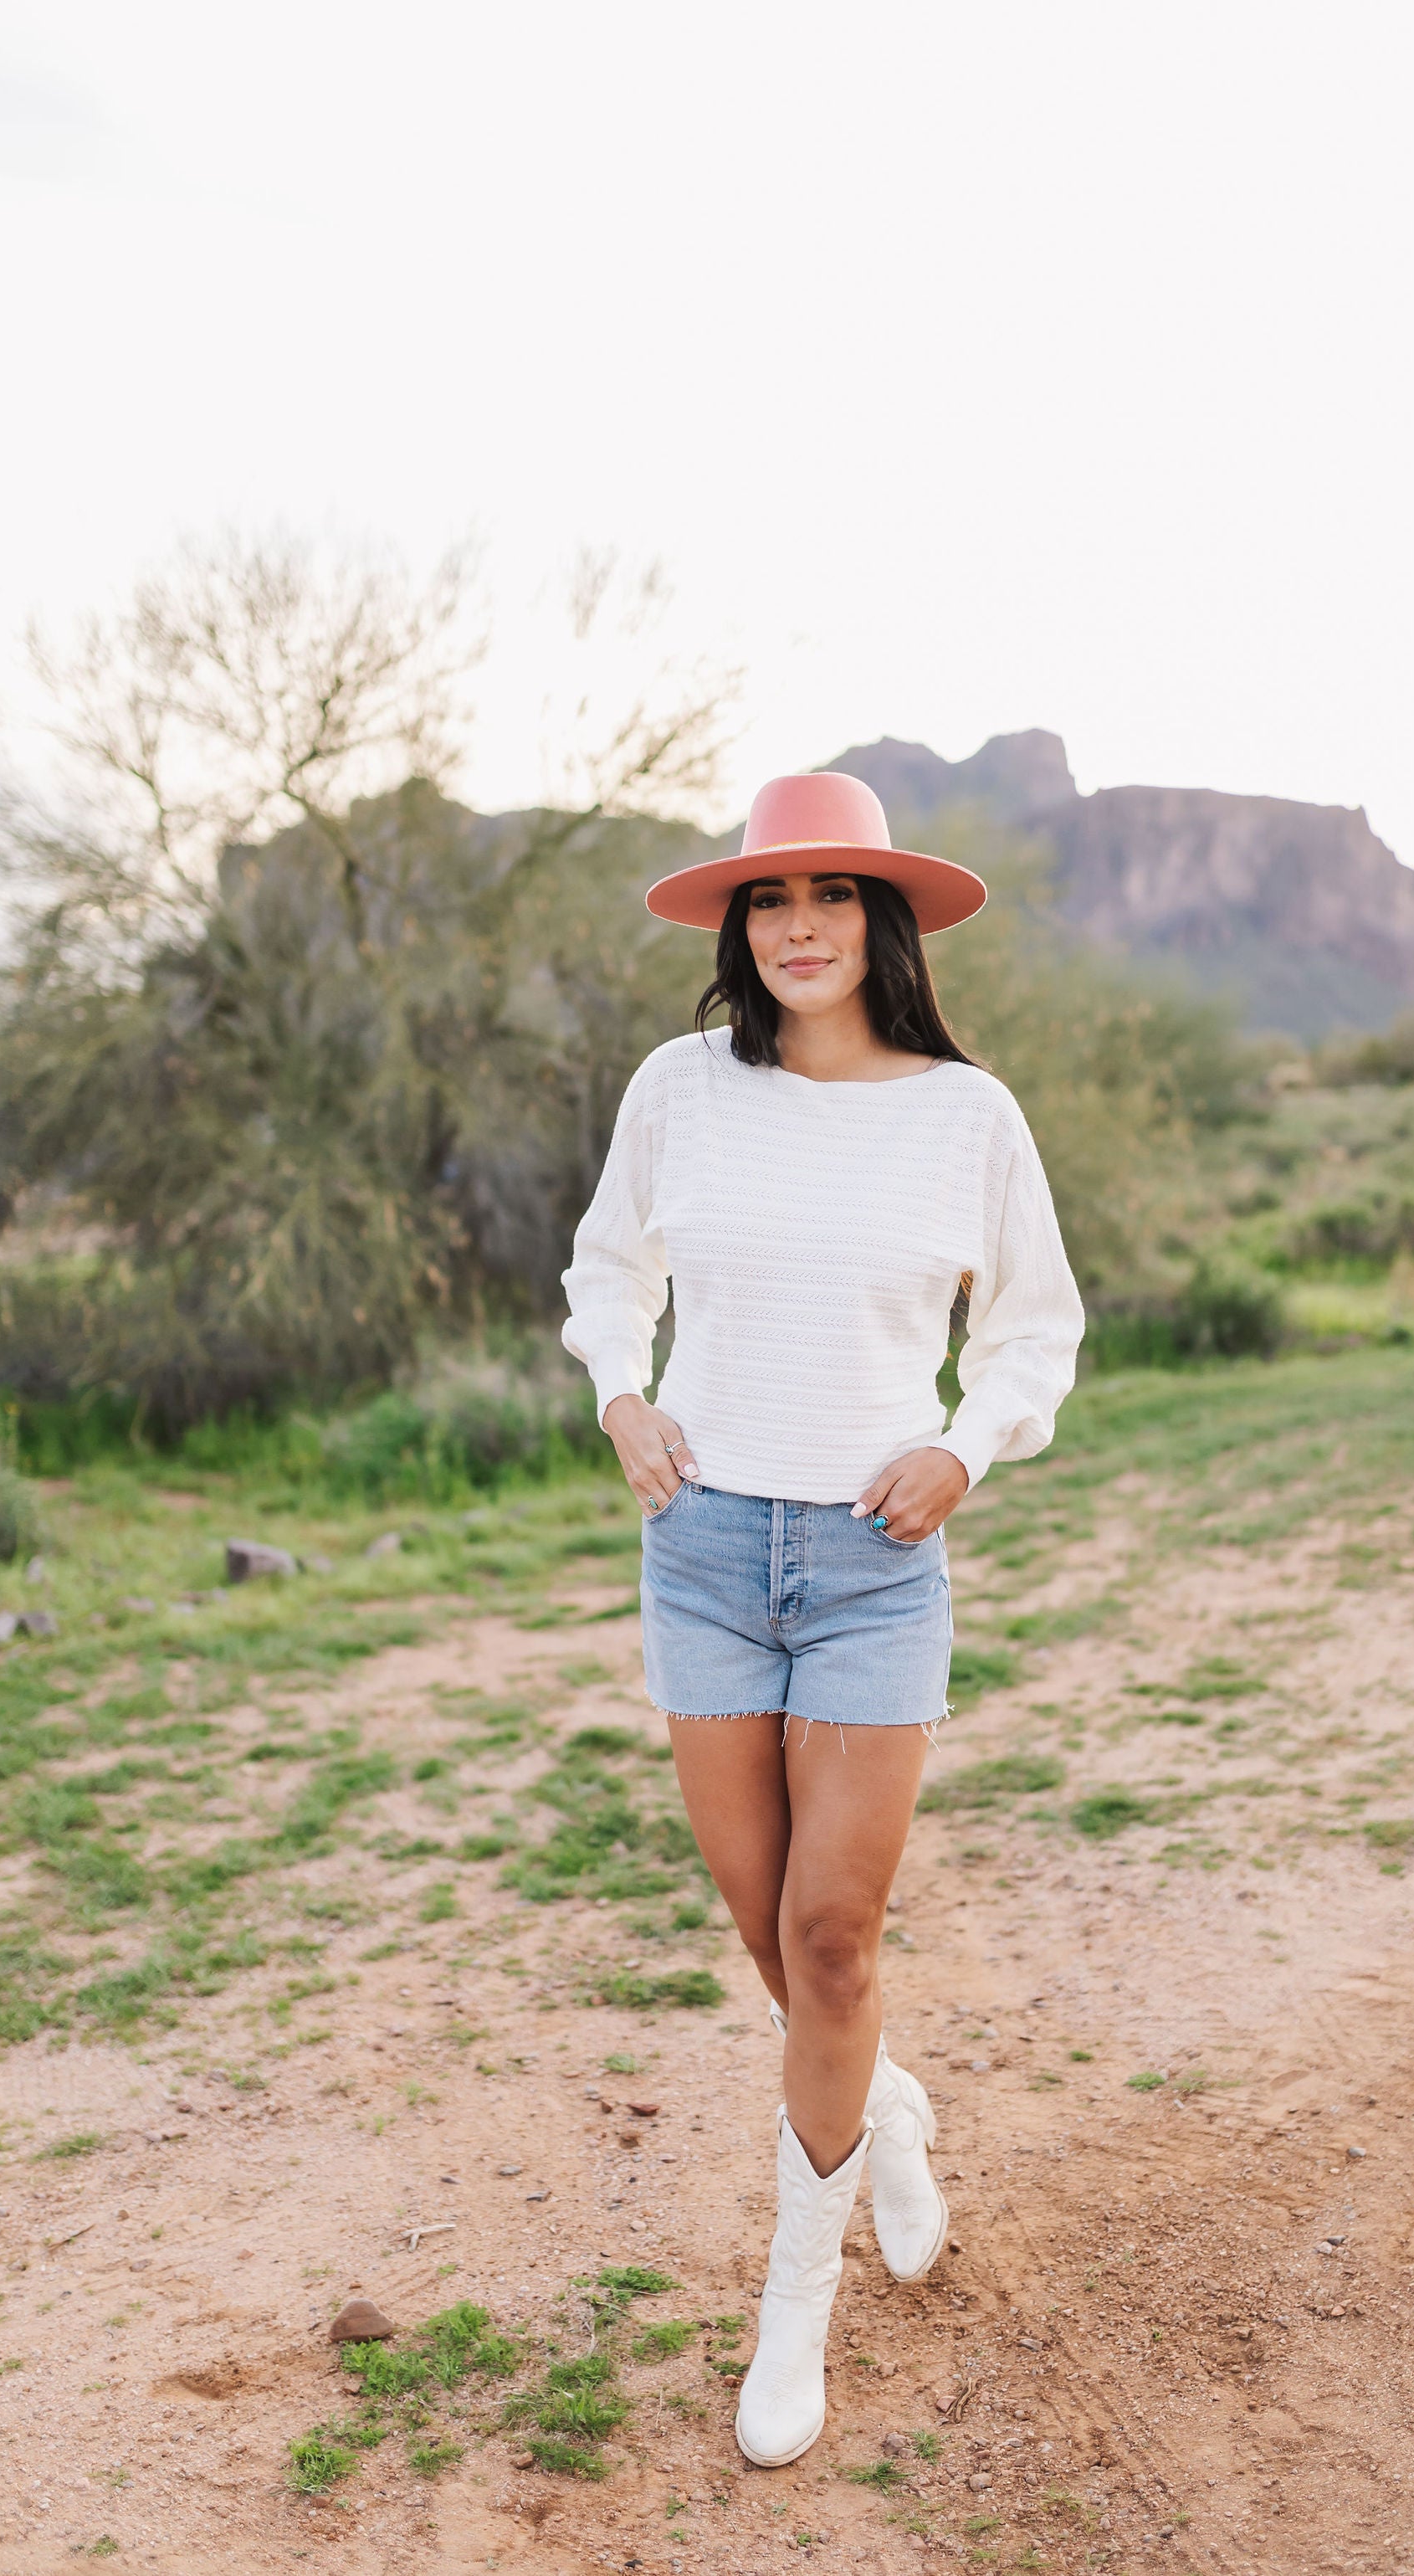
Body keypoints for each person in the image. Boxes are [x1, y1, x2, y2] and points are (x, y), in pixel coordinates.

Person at [561, 769, 1084, 2466]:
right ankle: (888, 2108)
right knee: (769, 1941)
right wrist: (618, 1397)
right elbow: (603, 1272)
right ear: (740, 924)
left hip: (871, 1562)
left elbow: (1033, 1332)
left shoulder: (965, 1115)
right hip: (704, 1550)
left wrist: (963, 1442)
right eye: (769, 897)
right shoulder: (678, 1089)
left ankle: (795, 2312)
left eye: (831, 895)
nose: (797, 924)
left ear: (883, 923)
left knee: (834, 1944)